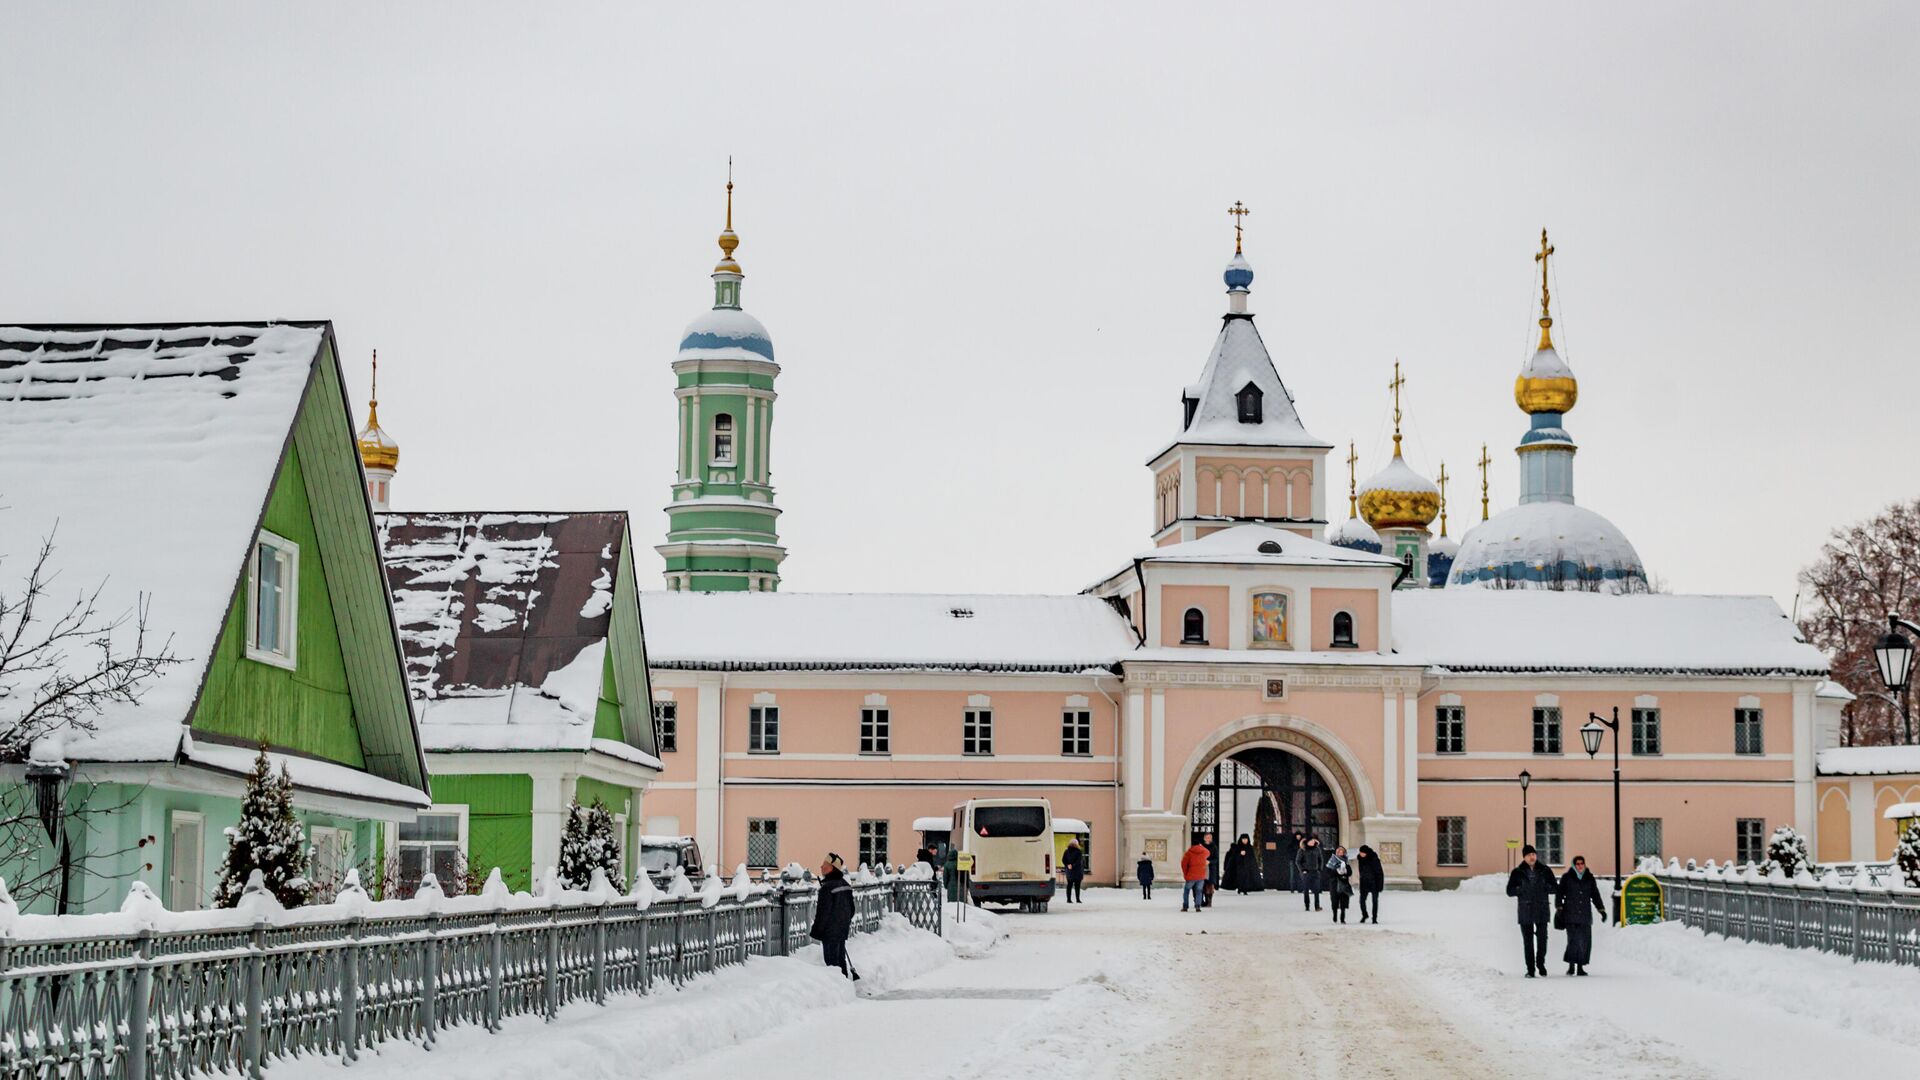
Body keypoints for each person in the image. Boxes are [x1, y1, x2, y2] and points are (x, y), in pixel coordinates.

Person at [1506, 844, 1557, 977]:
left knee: (1542, 940)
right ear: (1524, 857)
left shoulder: (1545, 870)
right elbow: (1509, 891)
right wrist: (1520, 890)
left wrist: (1546, 887)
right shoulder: (1517, 872)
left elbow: (1555, 888)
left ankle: (1540, 962)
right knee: (1528, 942)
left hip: (1541, 908)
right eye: (1529, 855)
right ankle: (1530, 969)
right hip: (1525, 910)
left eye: (1533, 854)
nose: (1532, 857)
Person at [809, 852, 859, 980]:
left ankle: (839, 987)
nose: (821, 867)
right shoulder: (845, 885)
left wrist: (817, 931)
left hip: (830, 931)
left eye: (824, 865)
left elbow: (823, 913)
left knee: (831, 962)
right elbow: (852, 909)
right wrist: (844, 921)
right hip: (842, 929)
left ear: (831, 868)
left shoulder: (827, 888)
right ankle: (844, 983)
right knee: (840, 958)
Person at [1556, 854, 1609, 976]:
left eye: (1582, 863)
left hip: (1585, 915)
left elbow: (1595, 895)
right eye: (1577, 864)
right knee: (1573, 941)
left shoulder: (1589, 878)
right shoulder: (1567, 877)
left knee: (1584, 942)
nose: (1580, 866)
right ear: (1574, 865)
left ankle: (1580, 967)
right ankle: (1571, 966)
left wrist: (1601, 910)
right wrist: (1559, 907)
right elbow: (1559, 893)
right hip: (1570, 914)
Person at [1356, 844, 1385, 923]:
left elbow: (1380, 873)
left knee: (1374, 901)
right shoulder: (1360, 859)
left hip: (1374, 883)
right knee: (1362, 901)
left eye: (1362, 852)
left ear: (1366, 853)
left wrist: (1380, 885)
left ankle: (1374, 918)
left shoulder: (1374, 859)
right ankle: (1365, 915)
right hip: (1364, 882)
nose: (1360, 854)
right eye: (1360, 852)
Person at [1294, 836, 1324, 911]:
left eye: (1314, 840)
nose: (1313, 841)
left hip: (1315, 872)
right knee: (1306, 889)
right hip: (1306, 873)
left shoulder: (1317, 849)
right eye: (1311, 840)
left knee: (1317, 890)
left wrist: (1320, 868)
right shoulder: (1302, 850)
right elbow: (1298, 861)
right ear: (1307, 842)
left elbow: (1320, 859)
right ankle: (1307, 905)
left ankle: (1317, 906)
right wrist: (1302, 870)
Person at [1324, 845, 1353, 923]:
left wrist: (1345, 872)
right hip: (1334, 883)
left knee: (1344, 901)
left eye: (1342, 851)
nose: (1341, 853)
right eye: (1339, 851)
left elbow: (1350, 872)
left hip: (1344, 882)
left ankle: (1342, 917)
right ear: (1336, 852)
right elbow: (1328, 872)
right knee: (1334, 900)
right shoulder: (1332, 860)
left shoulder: (1346, 861)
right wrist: (1337, 871)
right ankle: (1335, 915)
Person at [1180, 839, 1210, 912]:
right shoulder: (1204, 851)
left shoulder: (1188, 853)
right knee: (1199, 891)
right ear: (1199, 844)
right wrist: (1202, 847)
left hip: (1191, 876)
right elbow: (1208, 852)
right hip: (1201, 876)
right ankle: (1198, 906)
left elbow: (1183, 864)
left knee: (1186, 891)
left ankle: (1185, 906)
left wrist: (1185, 874)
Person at [1062, 838, 1086, 904]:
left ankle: (1068, 899)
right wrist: (1073, 865)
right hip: (1077, 871)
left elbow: (1063, 860)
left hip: (1069, 872)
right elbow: (1078, 861)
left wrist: (1068, 865)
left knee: (1069, 885)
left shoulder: (1066, 851)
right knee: (1077, 886)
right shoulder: (1078, 851)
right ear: (1077, 844)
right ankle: (1078, 899)